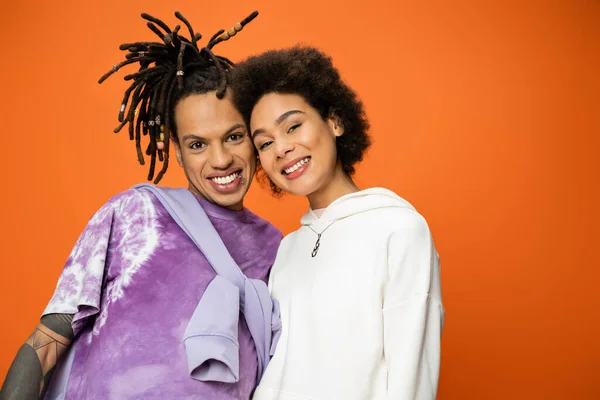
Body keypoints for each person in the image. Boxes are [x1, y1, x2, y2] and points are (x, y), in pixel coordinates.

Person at [0, 11, 282, 400]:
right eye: (198, 144)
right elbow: (46, 345)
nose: (220, 160)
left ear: (253, 136)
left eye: (233, 137)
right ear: (177, 151)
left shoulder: (278, 250)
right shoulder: (136, 215)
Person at [231, 46, 445, 399]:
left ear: (335, 121)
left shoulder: (399, 230)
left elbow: (411, 378)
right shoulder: (287, 250)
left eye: (293, 126)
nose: (281, 149)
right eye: (265, 143)